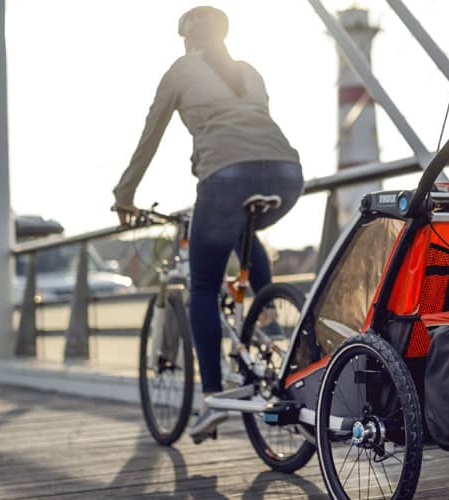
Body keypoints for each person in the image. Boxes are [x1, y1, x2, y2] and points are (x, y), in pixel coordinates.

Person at [113, 6, 303, 443]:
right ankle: (269, 322)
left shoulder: (181, 70)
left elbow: (150, 136)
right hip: (288, 175)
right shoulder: (249, 71)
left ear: (187, 38)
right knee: (244, 231)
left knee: (201, 287)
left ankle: (213, 398)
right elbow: (253, 132)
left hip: (224, 181)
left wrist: (124, 196)